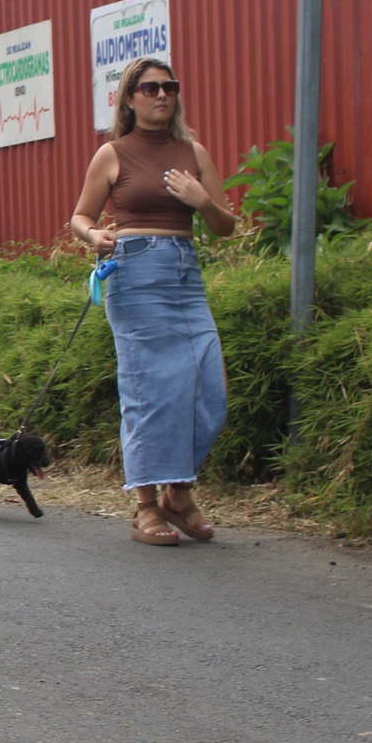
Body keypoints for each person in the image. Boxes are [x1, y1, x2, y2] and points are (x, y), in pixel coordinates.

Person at [69, 58, 237, 547]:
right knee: (148, 392)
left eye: (169, 86)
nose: (162, 95)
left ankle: (177, 495)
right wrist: (94, 235)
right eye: (150, 88)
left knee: (208, 388)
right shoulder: (112, 154)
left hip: (186, 278)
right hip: (135, 274)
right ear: (130, 98)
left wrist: (201, 199)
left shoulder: (193, 152)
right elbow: (81, 216)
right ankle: (146, 504)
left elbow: (226, 226)